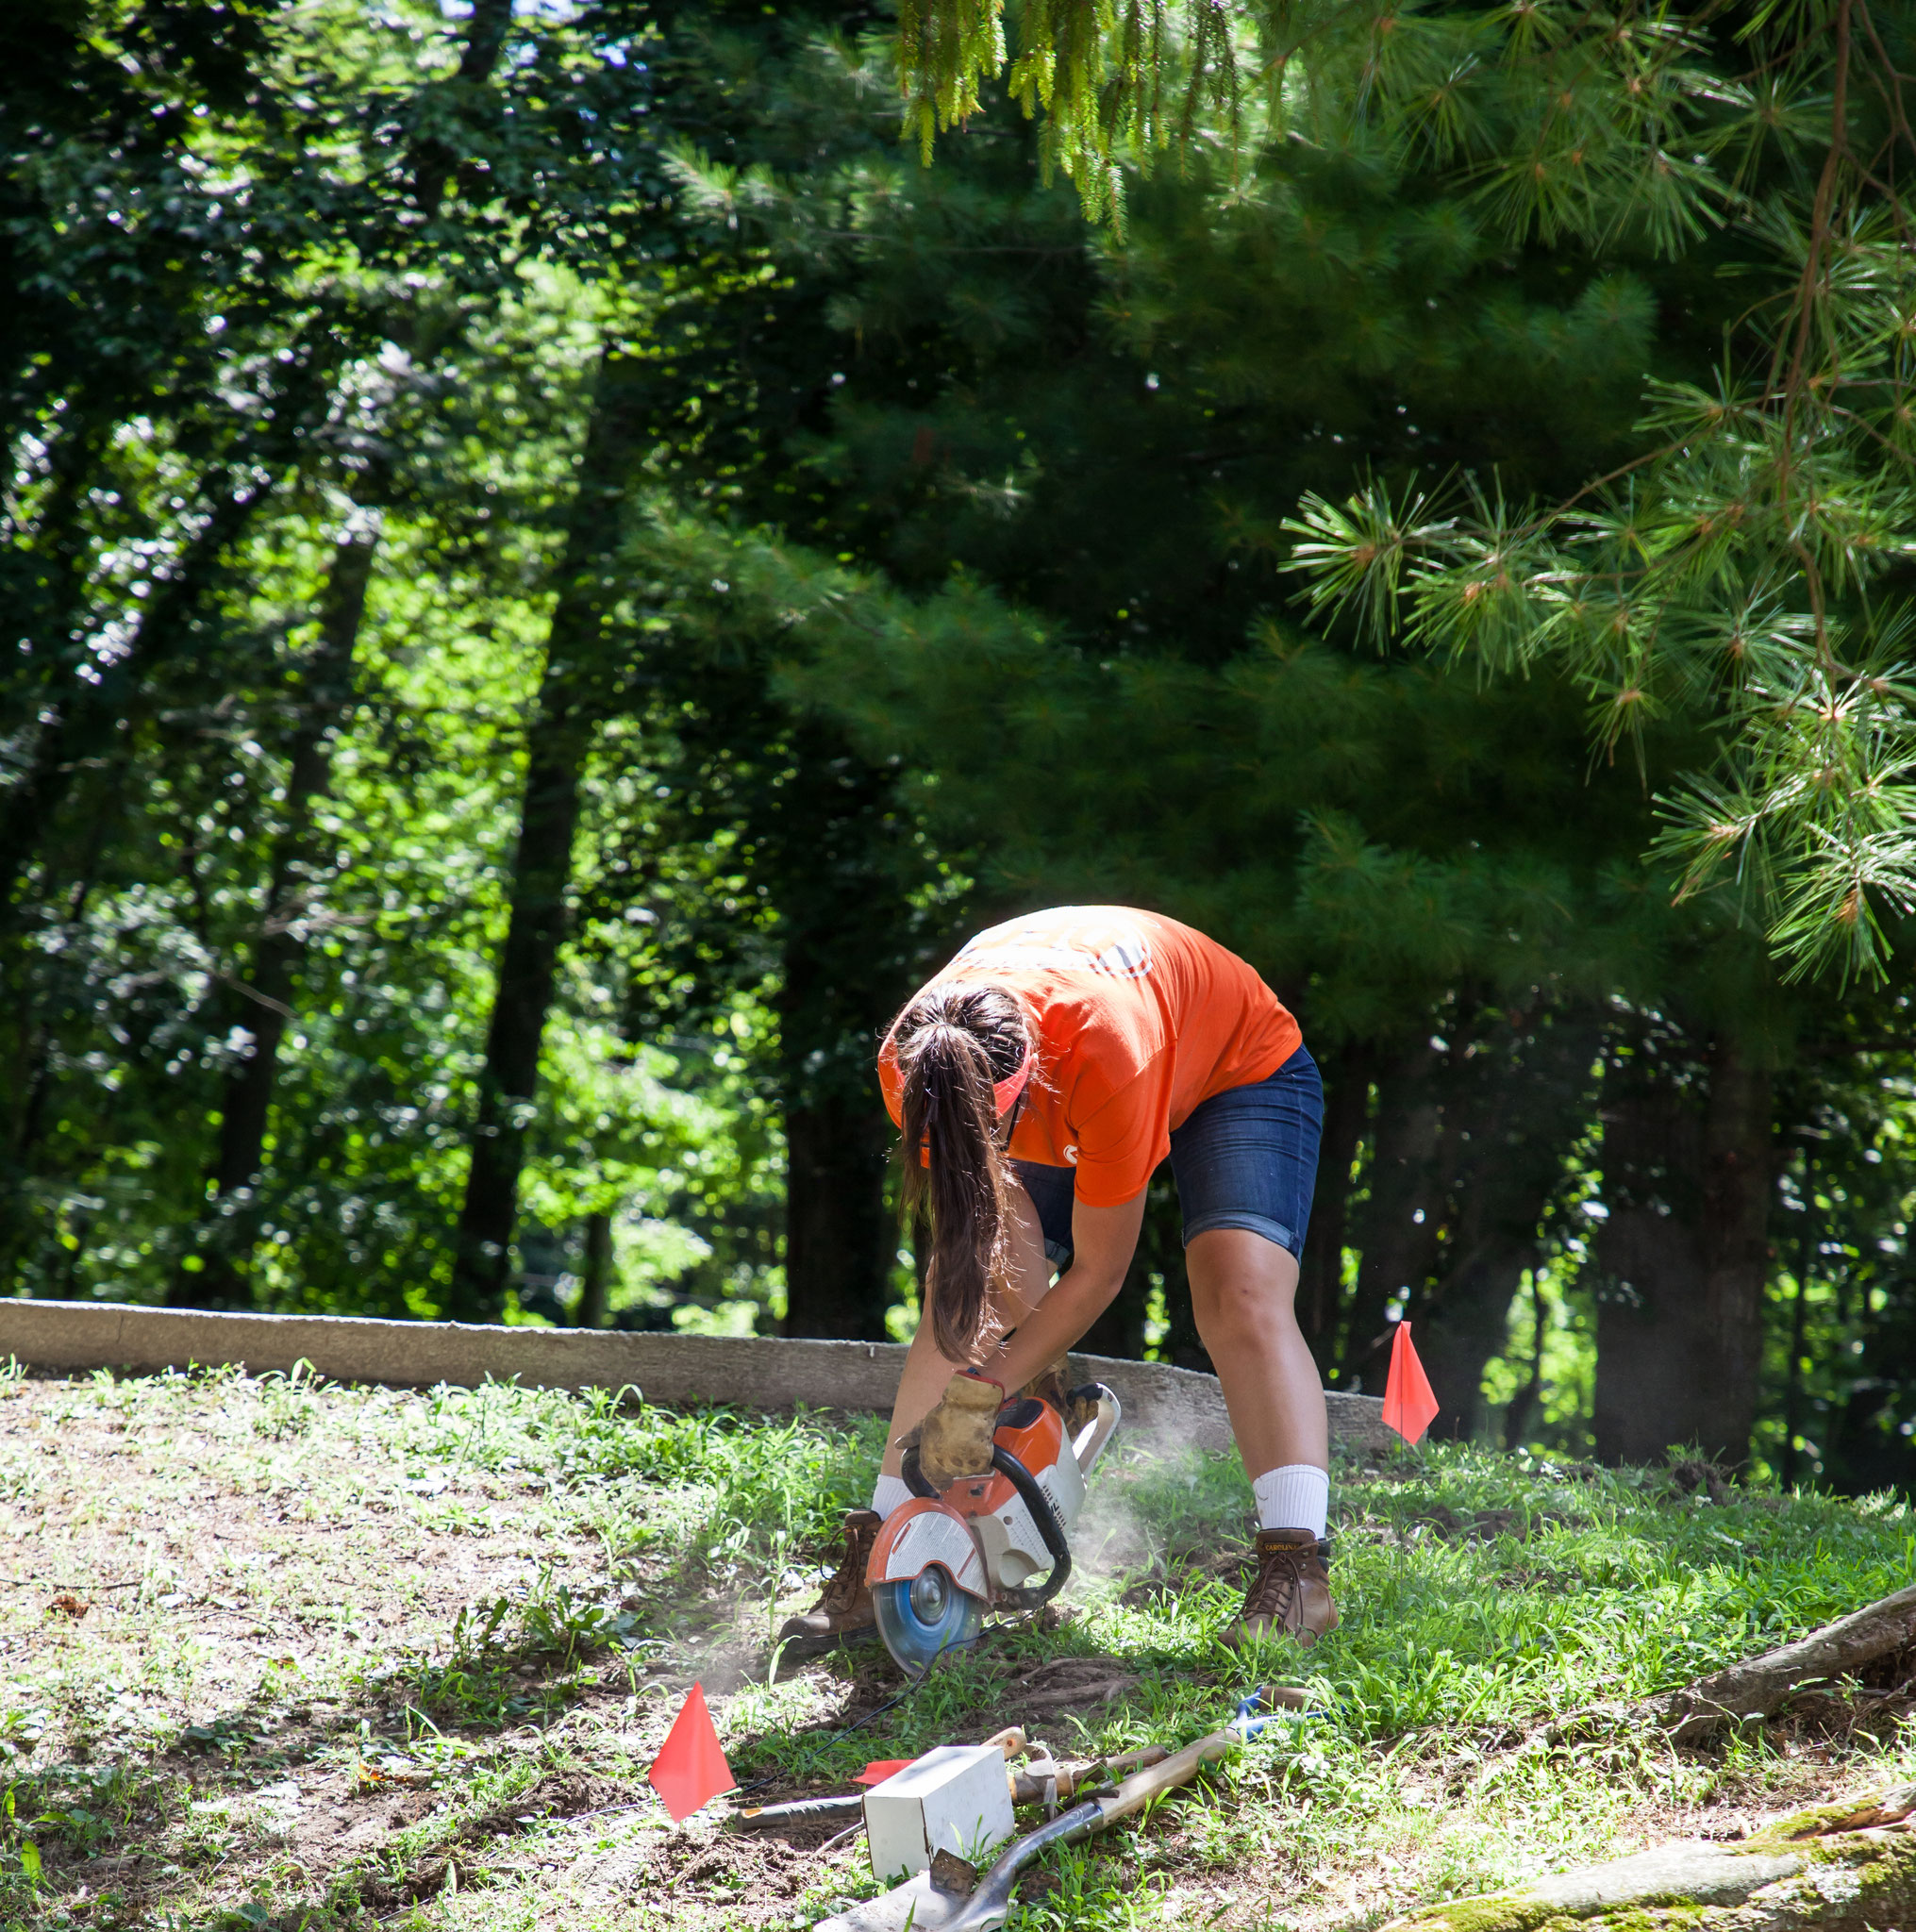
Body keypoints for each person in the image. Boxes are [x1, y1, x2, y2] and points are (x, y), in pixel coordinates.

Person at [779, 905, 1335, 1654]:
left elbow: (1099, 1271)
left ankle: (1297, 1570)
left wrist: (983, 1392)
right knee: (969, 1289)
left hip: (1236, 1069)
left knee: (1237, 1290)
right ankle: (881, 1543)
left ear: (1018, 1090)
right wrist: (1000, 1370)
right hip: (1042, 1068)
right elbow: (988, 1254)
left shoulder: (1109, 1057)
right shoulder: (915, 1062)